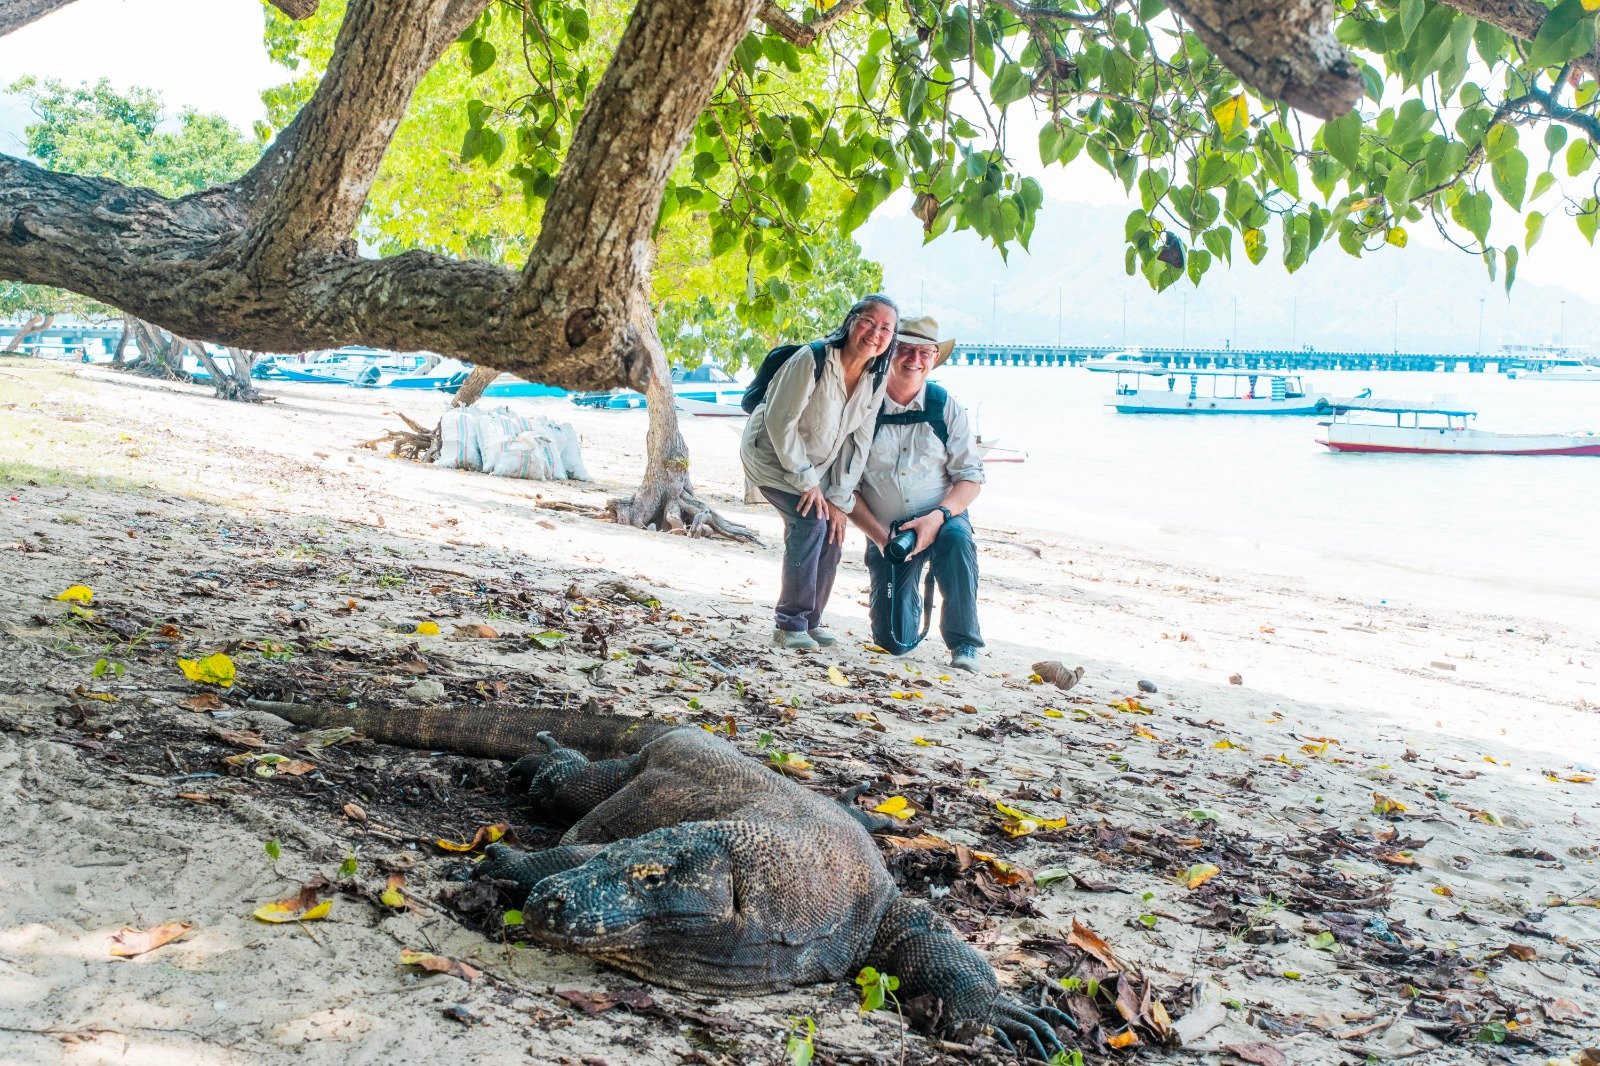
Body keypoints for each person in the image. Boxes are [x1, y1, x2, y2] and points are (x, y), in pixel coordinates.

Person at [741, 294, 897, 651]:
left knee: (833, 527)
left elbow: (859, 441)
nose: (875, 333)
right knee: (810, 522)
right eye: (868, 322)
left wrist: (840, 497)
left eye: (886, 329)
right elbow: (780, 423)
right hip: (770, 456)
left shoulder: (876, 377)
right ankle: (789, 623)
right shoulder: (811, 359)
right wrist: (807, 481)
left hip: (816, 467)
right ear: (850, 321)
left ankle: (811, 621)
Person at [845, 316, 986, 672]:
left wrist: (937, 517)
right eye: (905, 350)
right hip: (886, 532)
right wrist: (880, 538)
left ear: (934, 358)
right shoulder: (864, 407)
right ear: (889, 353)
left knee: (958, 542)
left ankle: (964, 643)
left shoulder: (945, 406)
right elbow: (845, 486)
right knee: (892, 642)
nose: (914, 360)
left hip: (940, 518)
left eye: (925, 352)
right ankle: (902, 618)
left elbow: (970, 477)